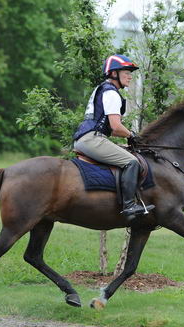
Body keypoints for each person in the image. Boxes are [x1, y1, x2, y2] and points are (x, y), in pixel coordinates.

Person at [73, 54, 155, 221]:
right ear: (114, 73)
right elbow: (116, 126)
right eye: (127, 72)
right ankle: (129, 206)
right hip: (92, 139)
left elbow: (114, 129)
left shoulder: (104, 88)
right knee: (132, 162)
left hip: (89, 137)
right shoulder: (111, 93)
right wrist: (132, 135)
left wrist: (128, 136)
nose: (130, 76)